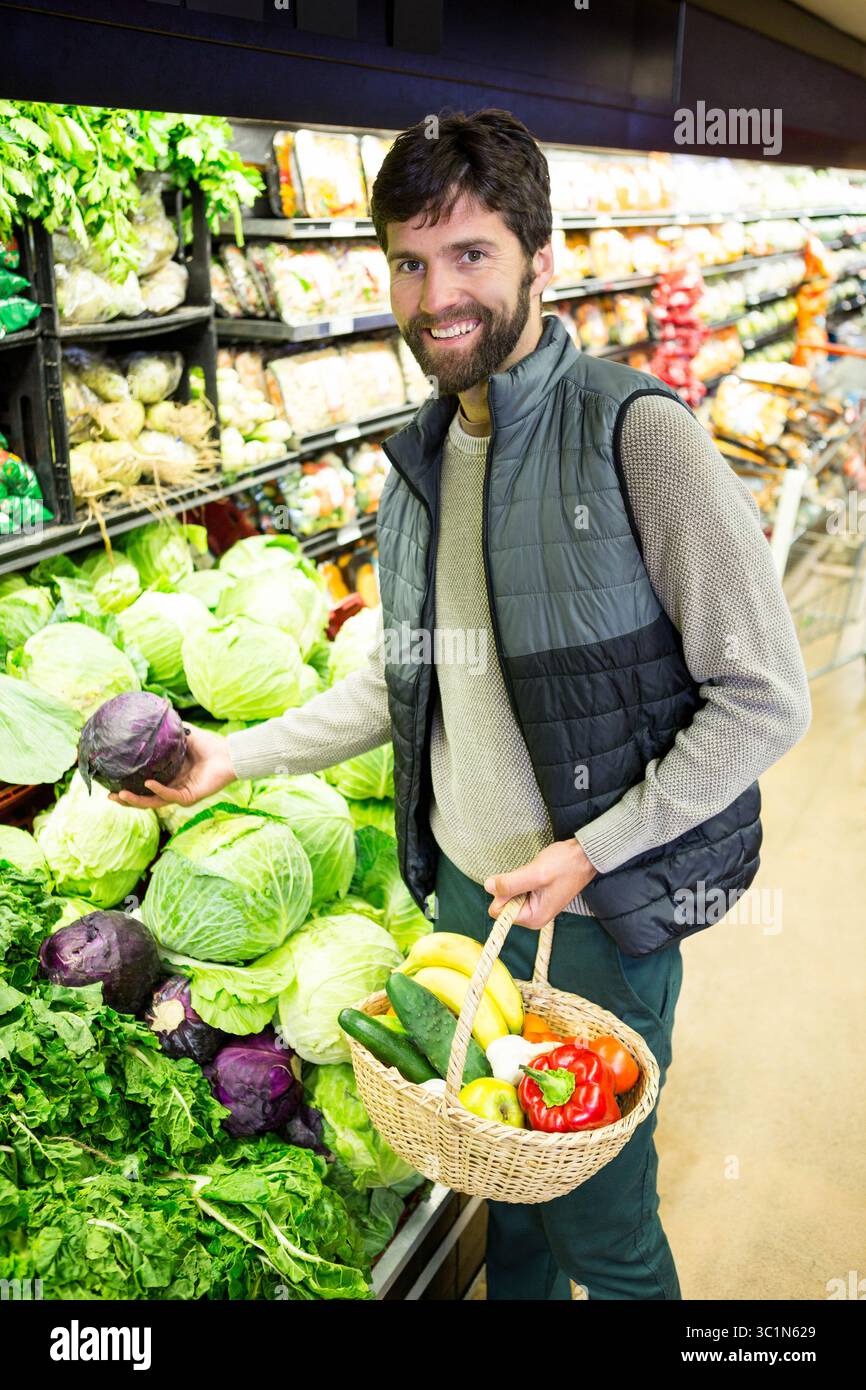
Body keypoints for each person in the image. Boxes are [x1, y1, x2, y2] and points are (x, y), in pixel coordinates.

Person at [113, 109, 811, 1300]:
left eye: (470, 253)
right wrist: (234, 756)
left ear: (536, 257)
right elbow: (403, 686)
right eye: (408, 259)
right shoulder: (423, 458)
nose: (436, 294)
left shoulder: (634, 434)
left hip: (589, 924)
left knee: (604, 1230)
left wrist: (589, 853)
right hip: (461, 918)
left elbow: (764, 701)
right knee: (511, 1211)